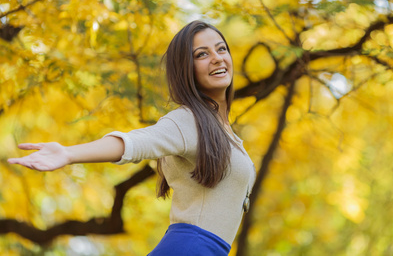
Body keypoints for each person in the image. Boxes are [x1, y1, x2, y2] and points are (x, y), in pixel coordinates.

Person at [7, 20, 256, 256]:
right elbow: (135, 142)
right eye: (201, 54)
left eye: (221, 49)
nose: (216, 58)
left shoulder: (224, 132)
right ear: (186, 70)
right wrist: (69, 153)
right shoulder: (189, 121)